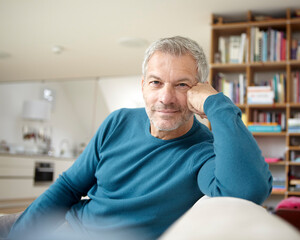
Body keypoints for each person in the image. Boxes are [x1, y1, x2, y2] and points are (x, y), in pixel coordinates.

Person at [8, 36, 272, 240]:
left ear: (198, 91)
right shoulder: (118, 121)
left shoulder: (204, 151)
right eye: (156, 82)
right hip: (65, 227)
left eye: (182, 85)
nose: (166, 98)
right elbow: (68, 188)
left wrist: (217, 104)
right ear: (143, 86)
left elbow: (245, 192)